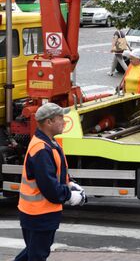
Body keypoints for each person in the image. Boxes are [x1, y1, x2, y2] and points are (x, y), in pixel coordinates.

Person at [16, 103, 86, 261]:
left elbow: (55, 174)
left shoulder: (48, 143)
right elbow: (50, 189)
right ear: (48, 122)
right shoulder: (42, 149)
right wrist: (70, 196)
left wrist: (69, 183)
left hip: (35, 213)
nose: (64, 122)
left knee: (33, 252)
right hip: (40, 214)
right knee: (37, 255)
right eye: (61, 119)